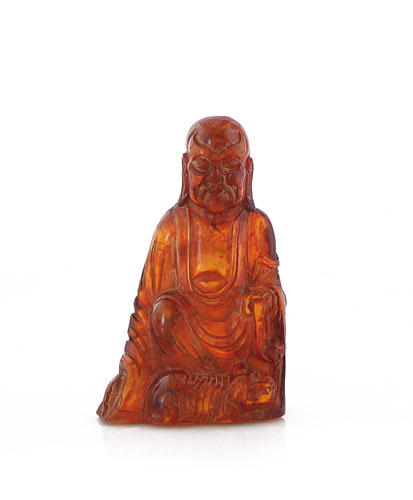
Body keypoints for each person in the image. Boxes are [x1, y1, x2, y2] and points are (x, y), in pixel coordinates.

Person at [97, 116, 286, 424]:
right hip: (186, 349)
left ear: (248, 171)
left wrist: (263, 300)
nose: (216, 179)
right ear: (185, 170)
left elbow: (274, 293)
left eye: (230, 168)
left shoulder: (255, 226)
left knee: (262, 312)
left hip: (239, 348)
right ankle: (219, 392)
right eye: (202, 166)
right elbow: (144, 307)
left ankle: (232, 390)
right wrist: (131, 376)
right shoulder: (172, 227)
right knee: (164, 311)